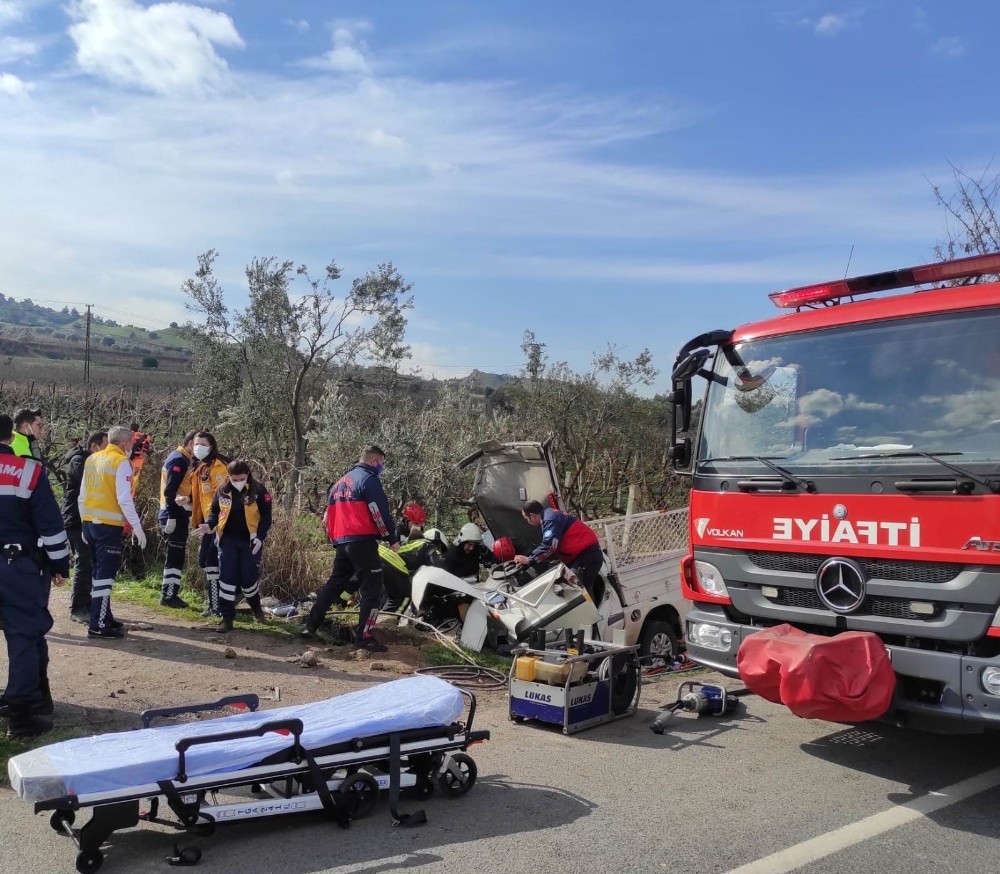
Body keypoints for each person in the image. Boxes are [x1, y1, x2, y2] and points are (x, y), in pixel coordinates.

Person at [0, 414, 70, 739]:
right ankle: (22, 717)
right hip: (18, 568)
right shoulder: (28, 471)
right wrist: (60, 565)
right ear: (10, 435)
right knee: (24, 636)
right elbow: (52, 527)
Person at [302, 445, 398, 653]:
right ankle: (364, 637)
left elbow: (327, 518)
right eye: (382, 463)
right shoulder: (368, 480)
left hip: (342, 541)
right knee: (372, 588)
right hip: (362, 540)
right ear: (375, 461)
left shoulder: (338, 484)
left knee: (334, 584)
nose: (382, 467)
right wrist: (392, 538)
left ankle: (310, 625)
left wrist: (335, 540)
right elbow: (378, 511)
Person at [79, 426, 147, 639]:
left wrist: (84, 521)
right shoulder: (121, 462)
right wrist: (137, 526)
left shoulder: (92, 459)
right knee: (104, 577)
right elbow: (124, 498)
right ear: (126, 444)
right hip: (108, 525)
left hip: (90, 523)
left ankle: (104, 616)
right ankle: (98, 625)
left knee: (98, 573)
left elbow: (82, 494)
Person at [196, 460, 271, 634]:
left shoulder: (259, 490)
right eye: (234, 478)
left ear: (248, 475)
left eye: (241, 478)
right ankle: (227, 619)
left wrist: (260, 537)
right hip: (227, 539)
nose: (238, 482)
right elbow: (215, 511)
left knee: (247, 579)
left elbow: (267, 517)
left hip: (250, 541)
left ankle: (256, 608)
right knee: (227, 579)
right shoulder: (222, 490)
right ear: (229, 476)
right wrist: (209, 525)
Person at [62, 430, 109, 623]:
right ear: (95, 447)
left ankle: (87, 603)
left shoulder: (89, 461)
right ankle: (78, 607)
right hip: (76, 519)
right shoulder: (79, 462)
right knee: (84, 560)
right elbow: (91, 483)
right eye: (106, 446)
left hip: (90, 518)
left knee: (90, 561)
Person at [514, 500, 604, 600]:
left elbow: (549, 546)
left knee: (577, 593)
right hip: (582, 556)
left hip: (586, 556)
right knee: (578, 590)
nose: (527, 522)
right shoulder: (550, 515)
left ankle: (591, 614)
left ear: (532, 515)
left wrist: (529, 559)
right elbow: (554, 547)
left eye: (526, 518)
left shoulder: (550, 520)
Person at [188, 431, 229, 618]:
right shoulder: (200, 467)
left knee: (210, 561)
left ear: (211, 446)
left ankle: (218, 604)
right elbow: (200, 496)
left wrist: (214, 523)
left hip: (219, 523)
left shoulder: (219, 466)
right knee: (205, 561)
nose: (198, 447)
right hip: (206, 522)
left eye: (203, 444)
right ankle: (216, 602)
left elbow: (221, 497)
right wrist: (187, 500)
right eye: (196, 443)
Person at [157, 431, 196, 608]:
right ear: (189, 443)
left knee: (175, 556)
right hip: (173, 514)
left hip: (178, 514)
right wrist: (172, 516)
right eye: (197, 444)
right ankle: (169, 595)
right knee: (174, 556)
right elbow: (170, 491)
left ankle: (170, 593)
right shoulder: (179, 460)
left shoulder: (184, 459)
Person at [128, 423, 153, 497]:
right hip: (138, 462)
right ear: (138, 428)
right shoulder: (144, 436)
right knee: (134, 481)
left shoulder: (127, 435)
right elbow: (147, 449)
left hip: (126, 460)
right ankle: (131, 496)